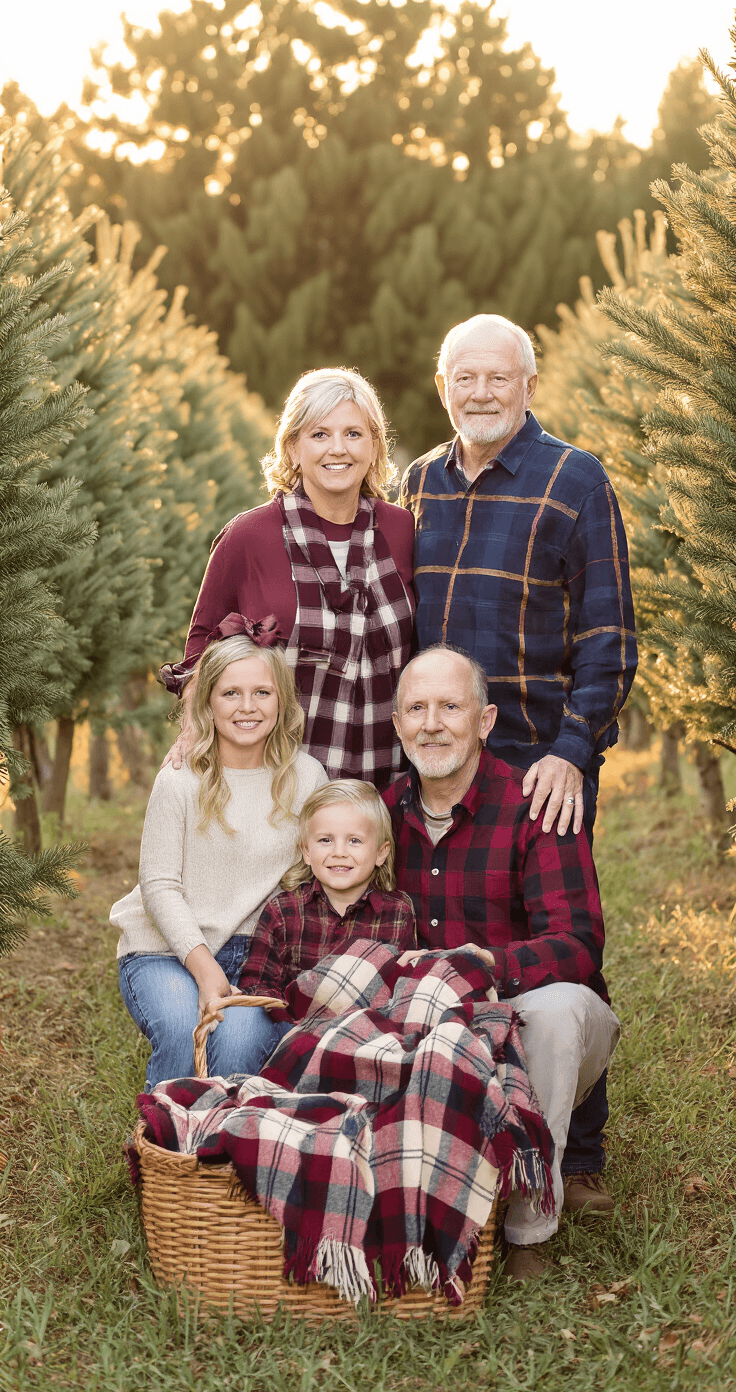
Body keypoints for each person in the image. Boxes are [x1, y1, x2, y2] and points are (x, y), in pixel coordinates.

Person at [399, 313, 637, 1213]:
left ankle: (575, 1154)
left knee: (558, 938)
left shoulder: (574, 480)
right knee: (437, 924)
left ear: (528, 384)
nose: (483, 393)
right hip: (437, 751)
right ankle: (458, 1117)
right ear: (444, 386)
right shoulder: (419, 483)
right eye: (467, 378)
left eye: (500, 377)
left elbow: (609, 633)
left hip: (538, 757)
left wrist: (575, 750)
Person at [383, 646, 620, 1280]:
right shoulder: (380, 816)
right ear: (398, 723)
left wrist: (490, 965)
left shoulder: (534, 803)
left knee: (559, 1009)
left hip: (530, 1021)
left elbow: (578, 943)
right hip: (433, 1027)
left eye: (451, 707)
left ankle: (526, 1232)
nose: (433, 723)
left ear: (485, 721)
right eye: (418, 708)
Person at [162, 367, 415, 790]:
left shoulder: (401, 529)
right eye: (319, 435)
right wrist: (193, 730)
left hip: (384, 782)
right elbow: (201, 644)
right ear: (293, 448)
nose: (338, 449)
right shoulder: (249, 536)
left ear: (374, 446)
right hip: (276, 781)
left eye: (354, 433)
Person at [111, 632, 327, 1089]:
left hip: (257, 956)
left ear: (282, 702)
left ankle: (218, 1151)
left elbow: (316, 875)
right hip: (166, 950)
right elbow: (159, 884)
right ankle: (164, 1148)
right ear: (208, 702)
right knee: (182, 1028)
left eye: (262, 693)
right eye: (231, 693)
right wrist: (205, 968)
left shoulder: (306, 778)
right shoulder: (180, 779)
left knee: (237, 1045)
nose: (247, 707)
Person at [235, 779, 417, 1008]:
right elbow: (255, 985)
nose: (339, 852)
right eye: (325, 840)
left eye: (354, 840)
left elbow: (404, 989)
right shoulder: (283, 911)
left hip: (365, 1030)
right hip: (293, 1027)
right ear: (307, 852)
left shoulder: (397, 912)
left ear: (381, 853)